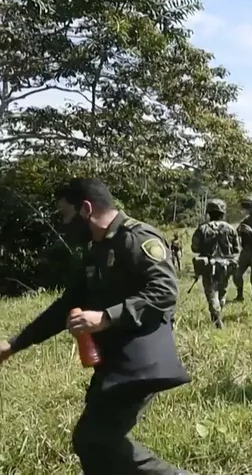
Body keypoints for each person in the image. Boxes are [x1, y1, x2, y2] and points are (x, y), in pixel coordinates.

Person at [0, 178, 192, 474]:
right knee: (94, 445)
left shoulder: (137, 238)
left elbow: (165, 291)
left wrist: (106, 317)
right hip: (116, 363)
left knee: (94, 439)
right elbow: (65, 307)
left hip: (141, 363)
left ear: (86, 208)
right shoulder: (96, 250)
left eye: (66, 214)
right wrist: (14, 344)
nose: (64, 223)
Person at [191, 198, 240, 329]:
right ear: (223, 213)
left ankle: (216, 318)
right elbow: (236, 249)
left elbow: (194, 248)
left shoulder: (202, 229)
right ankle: (218, 313)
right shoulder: (230, 229)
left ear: (209, 213)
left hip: (209, 265)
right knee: (223, 291)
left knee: (211, 292)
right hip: (226, 265)